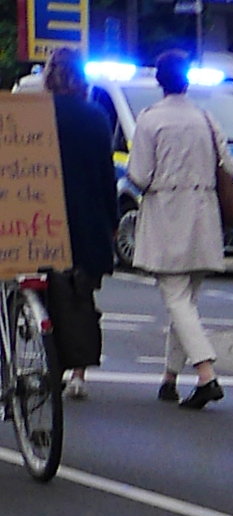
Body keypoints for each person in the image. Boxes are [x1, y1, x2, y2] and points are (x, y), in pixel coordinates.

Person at [125, 48, 232, 408]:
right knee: (186, 302)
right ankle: (169, 378)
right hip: (205, 212)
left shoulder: (151, 119)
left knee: (176, 298)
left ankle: (206, 374)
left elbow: (139, 174)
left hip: (168, 211)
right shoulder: (205, 116)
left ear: (159, 81)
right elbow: (229, 167)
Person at [41, 47, 119, 397]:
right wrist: (112, 220)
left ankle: (50, 363)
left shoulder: (37, 116)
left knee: (45, 295)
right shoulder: (97, 117)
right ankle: (79, 373)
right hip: (87, 219)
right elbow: (106, 174)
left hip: (42, 219)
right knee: (80, 295)